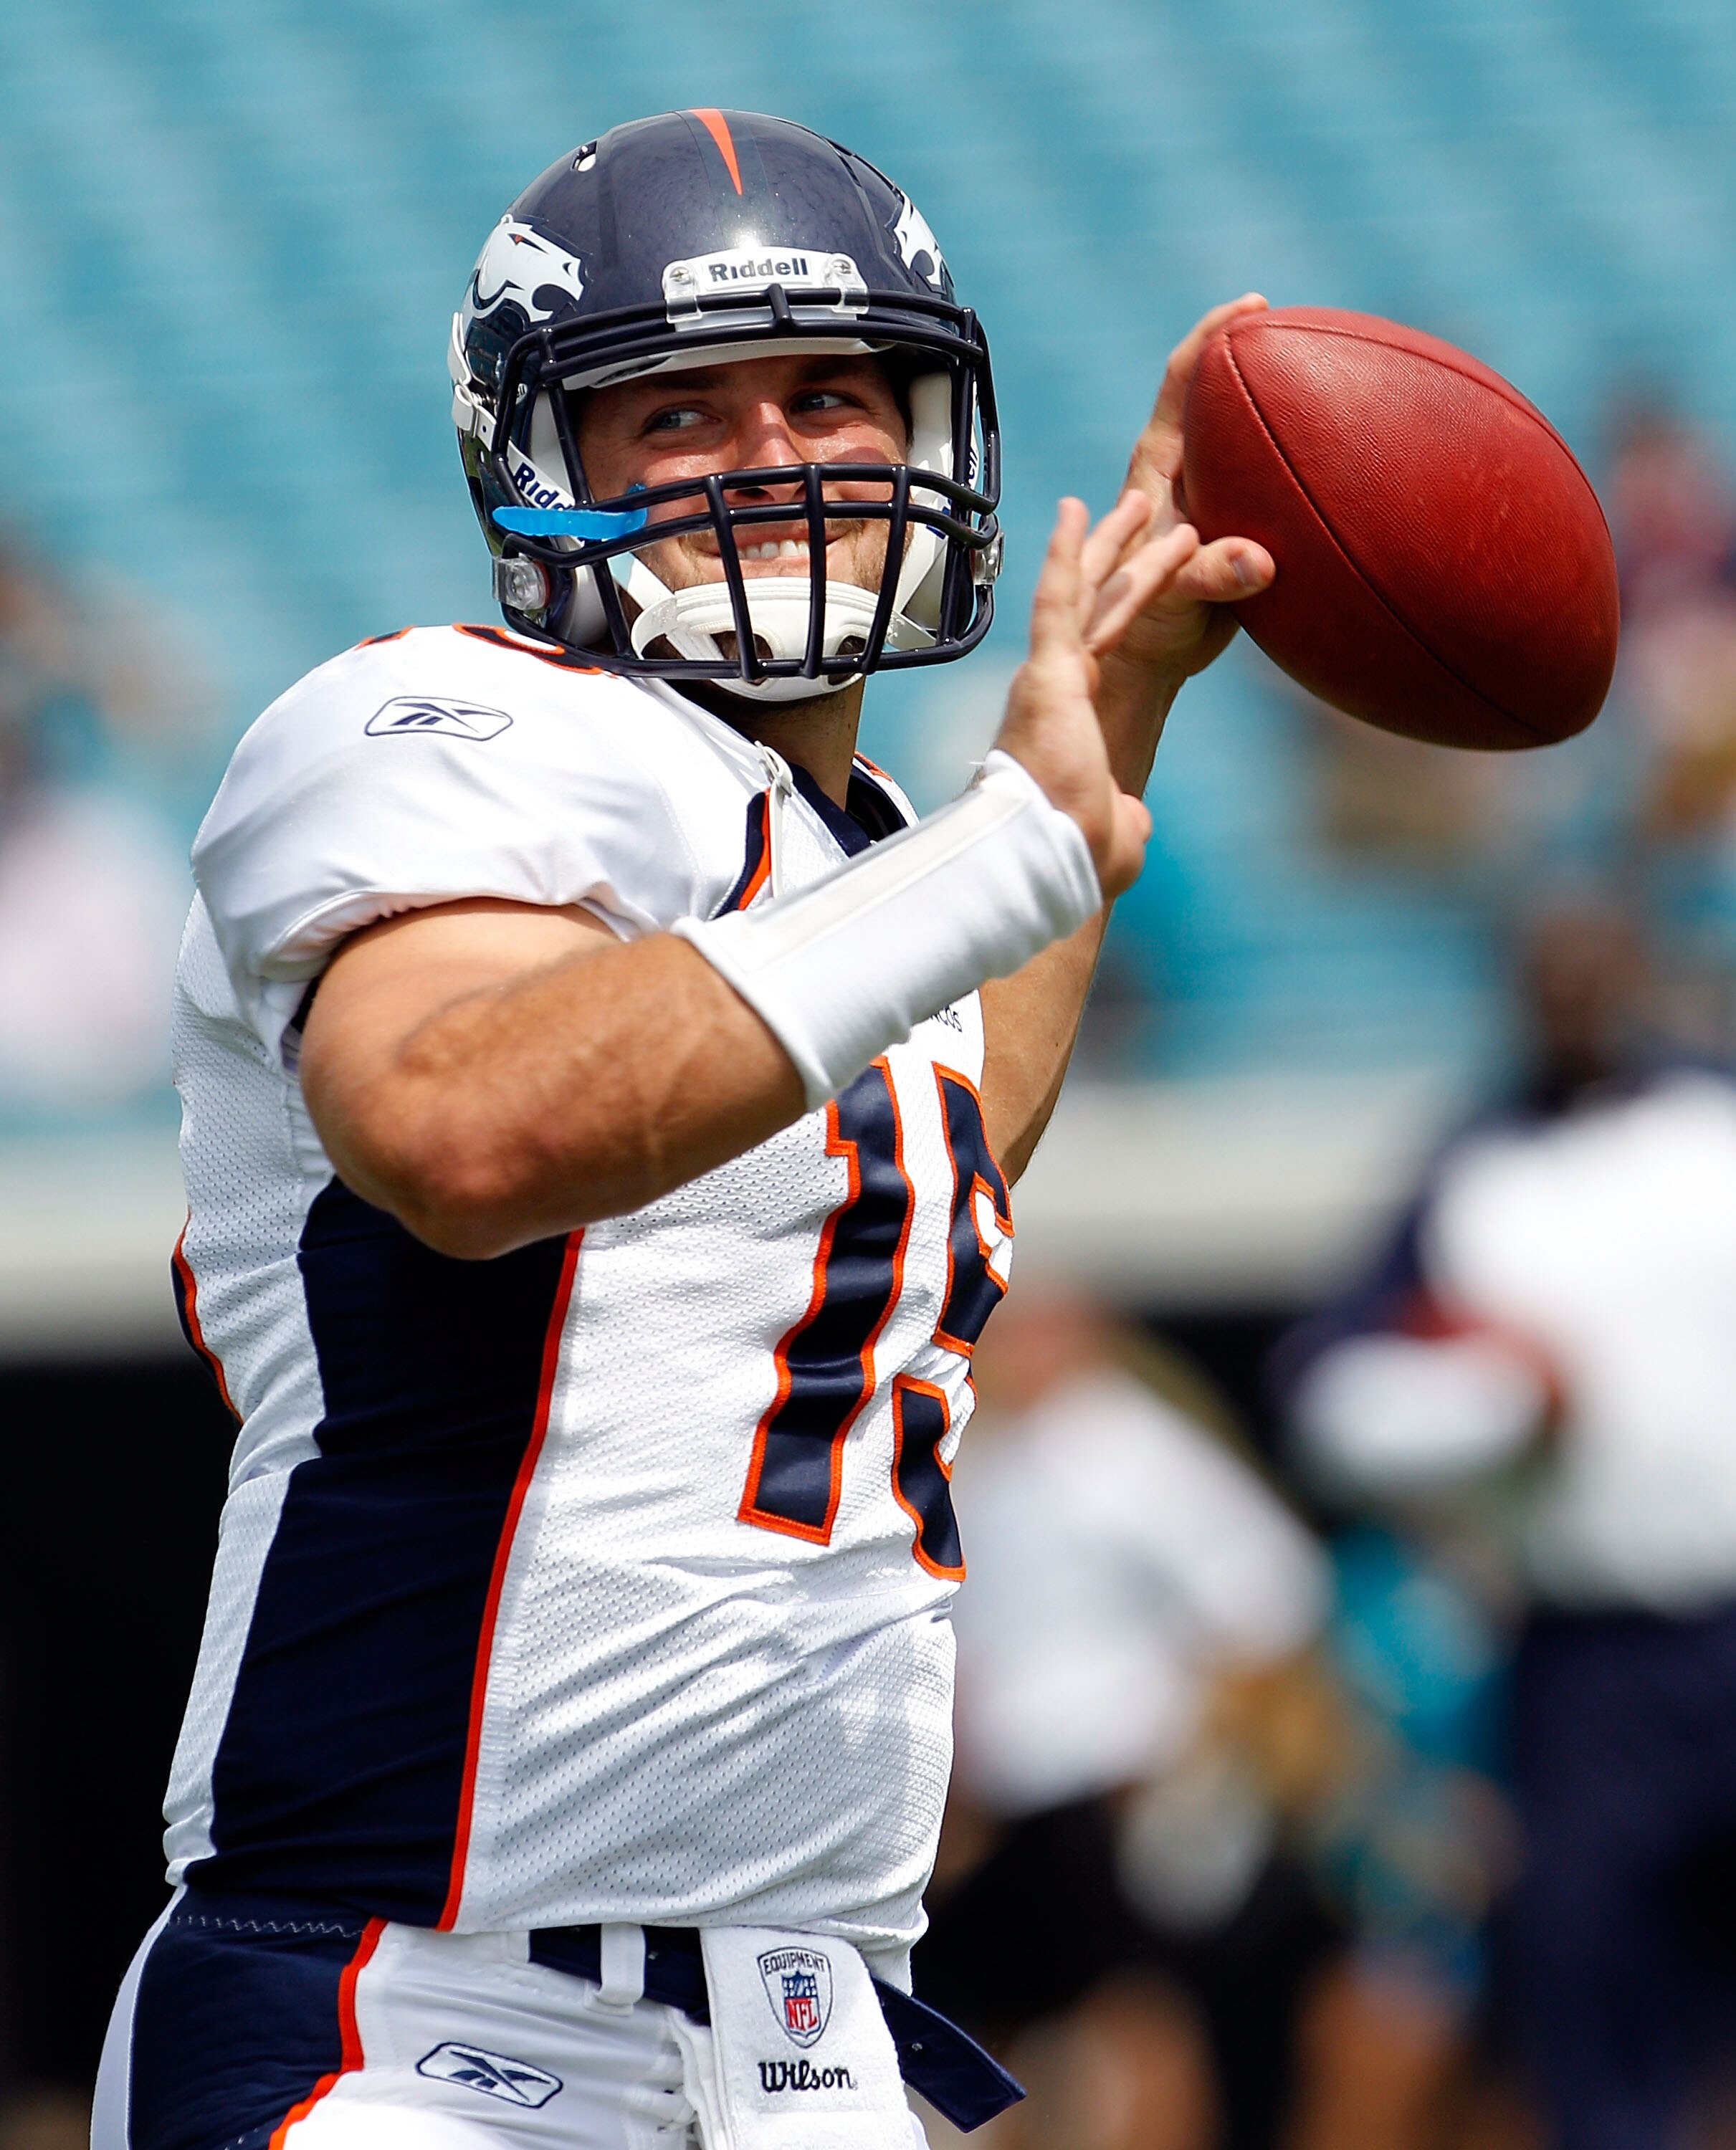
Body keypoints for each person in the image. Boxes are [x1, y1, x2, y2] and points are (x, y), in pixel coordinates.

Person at [92, 110, 1276, 2150]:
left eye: (830, 392)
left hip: (816, 2035)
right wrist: (996, 863)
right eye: (676, 410)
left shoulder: (866, 858)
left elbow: (912, 1163)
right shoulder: (434, 729)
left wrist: (1107, 715)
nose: (775, 451)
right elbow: (458, 1127)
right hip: (420, 2020)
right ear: (537, 459)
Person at [1277, 894, 1736, 2150]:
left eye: (1596, 968)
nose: (1575, 995)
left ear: (1643, 972)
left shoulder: (1715, 1126)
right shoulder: (1474, 1170)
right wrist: (1488, 1406)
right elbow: (1324, 1395)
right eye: (1548, 972)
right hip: (1589, 1666)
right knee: (1595, 2005)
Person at [916, 1287, 1339, 2150]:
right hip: (1025, 1803)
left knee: (1131, 2016)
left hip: (1108, 1786)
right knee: (1030, 2026)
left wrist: (1193, 1766)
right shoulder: (1003, 1456)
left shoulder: (1124, 1446)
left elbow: (1270, 1595)